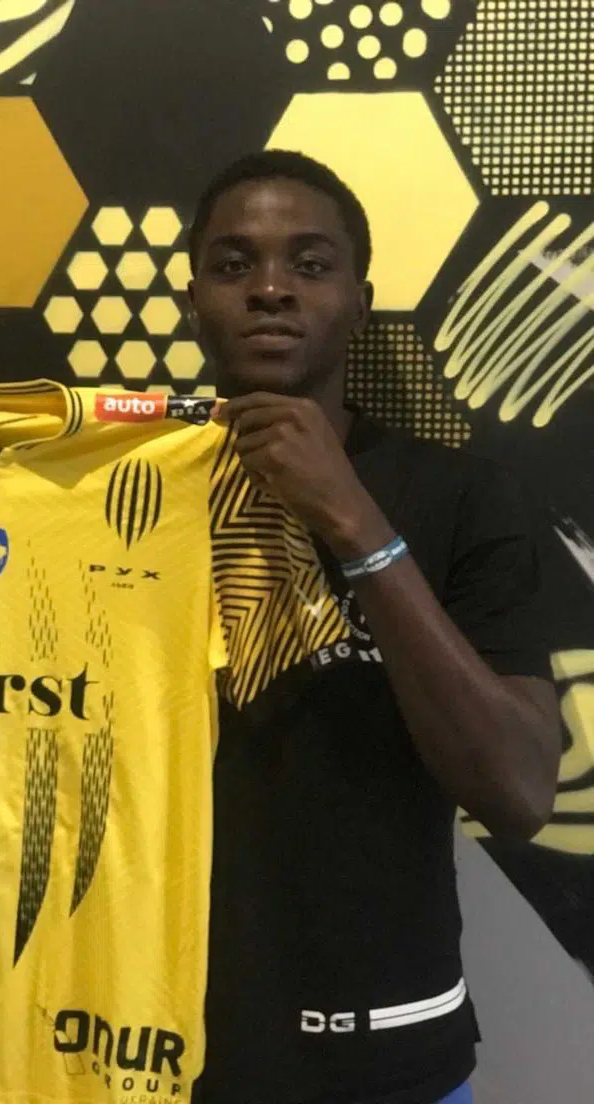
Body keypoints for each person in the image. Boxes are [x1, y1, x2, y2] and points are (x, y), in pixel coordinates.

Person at [186, 151, 562, 1104]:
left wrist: (355, 522)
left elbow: (519, 791)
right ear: (193, 300)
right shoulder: (121, 499)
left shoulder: (464, 497)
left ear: (359, 302)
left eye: (310, 263)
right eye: (234, 264)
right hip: (148, 1047)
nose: (271, 288)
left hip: (387, 1058)